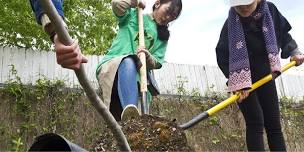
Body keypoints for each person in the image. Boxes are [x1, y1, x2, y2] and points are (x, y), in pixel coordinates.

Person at [32, 0, 183, 121]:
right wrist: (133, 2)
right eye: (168, 12)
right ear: (157, 3)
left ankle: (131, 118)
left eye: (173, 17)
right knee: (129, 61)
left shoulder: (163, 37)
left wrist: (148, 57)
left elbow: (158, 62)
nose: (168, 17)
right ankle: (132, 117)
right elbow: (116, 5)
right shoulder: (135, 15)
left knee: (128, 127)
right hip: (115, 65)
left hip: (140, 83)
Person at [216, 0, 304, 151]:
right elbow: (222, 55)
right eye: (239, 6)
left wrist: (294, 52)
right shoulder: (231, 24)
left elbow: (283, 34)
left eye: (247, 4)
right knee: (255, 122)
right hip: (243, 83)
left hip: (266, 76)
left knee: (273, 124)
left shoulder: (270, 11)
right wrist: (235, 83)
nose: (243, 8)